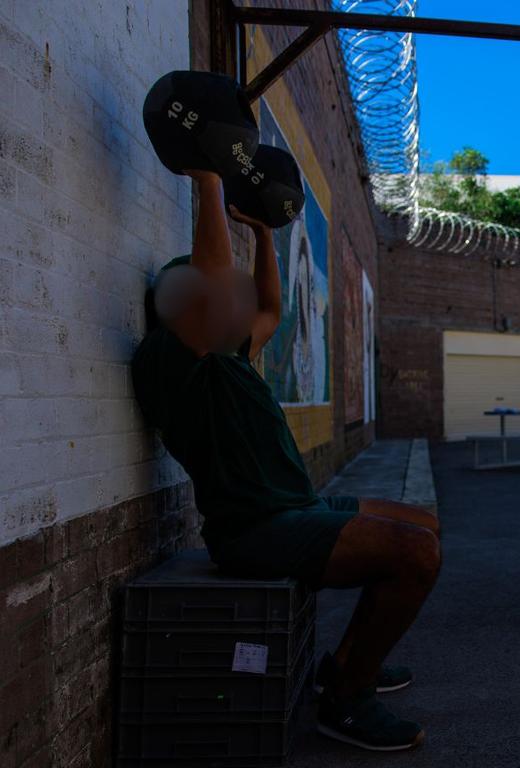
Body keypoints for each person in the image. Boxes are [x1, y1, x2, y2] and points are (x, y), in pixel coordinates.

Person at [132, 169, 440, 752]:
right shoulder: (172, 362)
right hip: (256, 529)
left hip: (296, 506)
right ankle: (346, 698)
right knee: (414, 554)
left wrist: (265, 234)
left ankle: (347, 663)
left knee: (424, 525)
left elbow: (271, 307)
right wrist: (208, 183)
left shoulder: (228, 357)